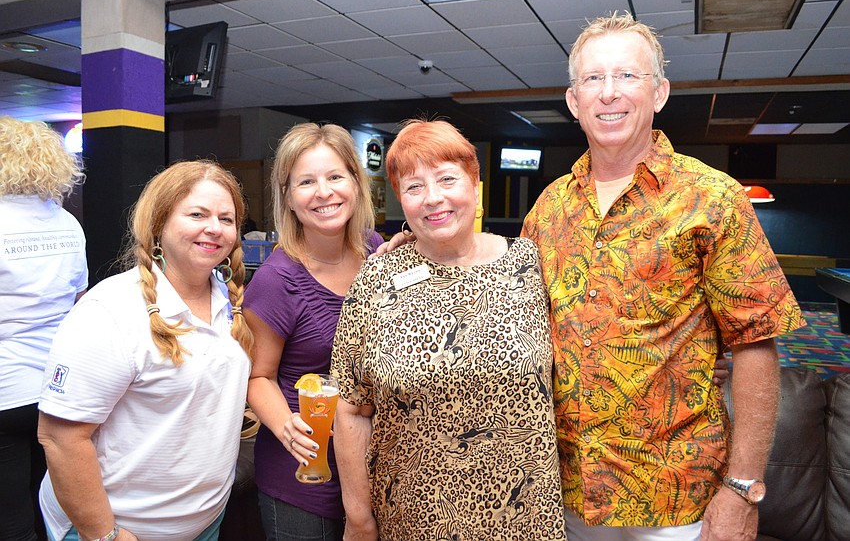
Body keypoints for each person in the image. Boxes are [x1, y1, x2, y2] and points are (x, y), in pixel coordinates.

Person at [520, 13, 805, 540]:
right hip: (566, 490)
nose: (609, 92)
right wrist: (415, 250)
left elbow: (756, 345)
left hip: (676, 495)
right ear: (573, 100)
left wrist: (743, 487)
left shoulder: (713, 198)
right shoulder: (548, 208)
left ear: (660, 93)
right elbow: (507, 307)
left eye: (628, 75)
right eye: (593, 78)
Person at [330, 119, 567, 541]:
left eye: (446, 179)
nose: (432, 198)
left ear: (475, 183)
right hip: (412, 517)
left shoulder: (531, 263)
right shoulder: (377, 278)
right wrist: (358, 517)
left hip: (524, 518)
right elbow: (351, 408)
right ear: (401, 200)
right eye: (414, 186)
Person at [37, 160, 254, 541]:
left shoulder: (229, 301)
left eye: (226, 219)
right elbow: (60, 438)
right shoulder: (110, 310)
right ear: (159, 223)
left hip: (205, 524)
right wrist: (105, 534)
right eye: (197, 214)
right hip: (114, 530)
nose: (214, 228)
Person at [243, 123, 382, 541]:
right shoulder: (277, 280)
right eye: (306, 182)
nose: (324, 192)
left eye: (335, 176)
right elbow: (257, 376)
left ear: (355, 184)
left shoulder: (375, 249)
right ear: (287, 196)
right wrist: (286, 426)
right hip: (305, 478)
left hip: (373, 470)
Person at [0, 117, 87, 541]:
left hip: (5, 389)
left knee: (11, 519)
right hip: (57, 386)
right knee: (51, 509)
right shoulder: (67, 223)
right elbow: (79, 301)